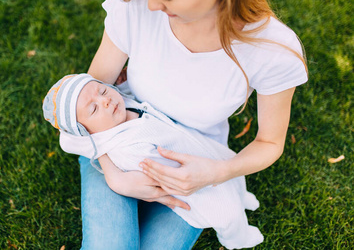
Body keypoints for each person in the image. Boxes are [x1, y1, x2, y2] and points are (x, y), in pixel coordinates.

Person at [69, 0, 308, 249]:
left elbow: (270, 143)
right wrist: (114, 175)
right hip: (114, 143)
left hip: (194, 166)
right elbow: (92, 90)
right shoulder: (138, 4)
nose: (152, 3)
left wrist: (216, 173)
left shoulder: (272, 52)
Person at [43, 73, 264, 249]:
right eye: (94, 109)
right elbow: (155, 177)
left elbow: (121, 92)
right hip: (191, 186)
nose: (106, 101)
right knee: (225, 211)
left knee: (231, 168)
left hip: (201, 149)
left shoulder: (122, 105)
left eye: (102, 90)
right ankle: (237, 239)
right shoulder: (127, 149)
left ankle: (243, 196)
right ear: (87, 133)